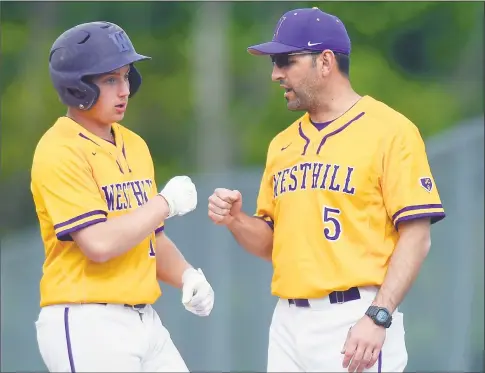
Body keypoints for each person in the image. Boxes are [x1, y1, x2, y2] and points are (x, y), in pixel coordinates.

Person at [208, 7, 445, 373]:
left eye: (286, 60)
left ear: (325, 61)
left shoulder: (390, 131)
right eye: (274, 62)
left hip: (354, 316)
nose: (275, 74)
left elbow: (416, 236)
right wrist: (237, 220)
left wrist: (379, 315)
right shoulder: (282, 145)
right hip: (288, 320)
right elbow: (272, 244)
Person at [31, 21, 214, 372]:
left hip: (144, 320)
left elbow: (146, 234)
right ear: (76, 86)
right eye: (110, 79)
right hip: (87, 320)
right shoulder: (59, 149)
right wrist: (165, 203)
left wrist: (187, 274)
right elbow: (98, 244)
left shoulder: (133, 144)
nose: (124, 90)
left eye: (126, 76)